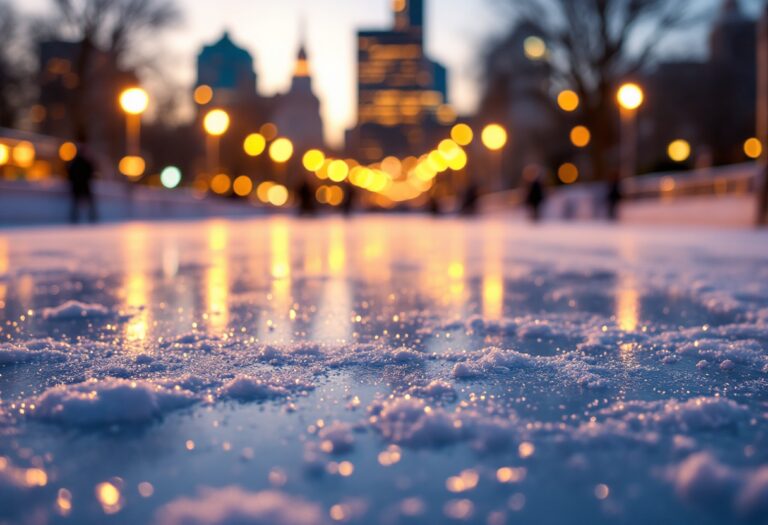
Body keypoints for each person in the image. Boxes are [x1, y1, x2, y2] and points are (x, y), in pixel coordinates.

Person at [66, 145, 97, 224]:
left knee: (76, 204)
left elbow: (70, 173)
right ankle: (92, 218)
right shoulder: (85, 162)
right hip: (82, 185)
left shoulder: (75, 162)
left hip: (78, 186)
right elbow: (92, 172)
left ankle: (76, 219)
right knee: (87, 203)